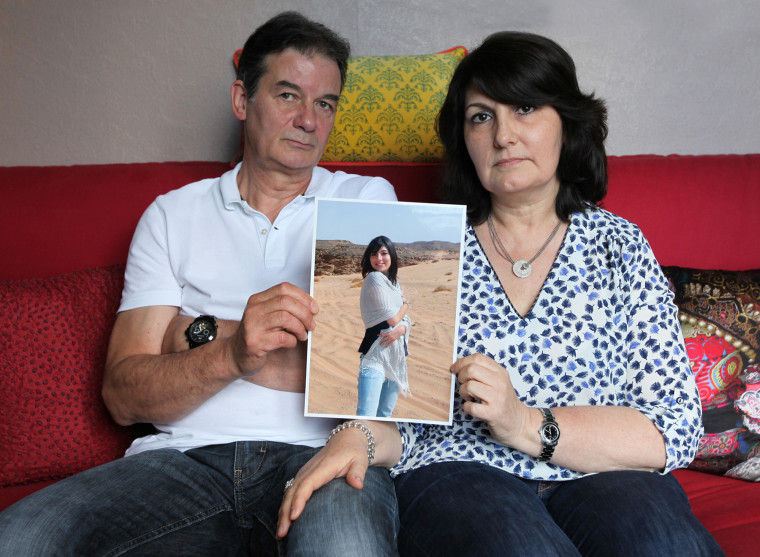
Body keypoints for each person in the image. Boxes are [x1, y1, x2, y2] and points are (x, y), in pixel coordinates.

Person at [279, 31, 725, 556]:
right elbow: (408, 418)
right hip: (460, 475)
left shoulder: (619, 244)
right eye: (481, 117)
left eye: (526, 108)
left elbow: (671, 426)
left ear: (568, 122)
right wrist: (359, 436)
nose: (503, 135)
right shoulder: (429, 250)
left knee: (664, 543)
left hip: (602, 471)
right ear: (464, 140)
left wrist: (525, 422)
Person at [0, 12, 402, 556]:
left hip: (321, 452)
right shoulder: (171, 215)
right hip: (182, 462)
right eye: (288, 95)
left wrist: (187, 334)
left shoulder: (366, 202)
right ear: (242, 100)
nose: (309, 120)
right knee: (21, 536)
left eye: (324, 103)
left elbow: (367, 372)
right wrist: (236, 350)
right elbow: (123, 396)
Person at [356, 236, 411, 417]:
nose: (379, 258)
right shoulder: (374, 278)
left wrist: (402, 330)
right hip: (376, 357)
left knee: (384, 416)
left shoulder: (394, 284)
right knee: (367, 416)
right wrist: (406, 305)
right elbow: (395, 319)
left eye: (384, 253)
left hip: (395, 359)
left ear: (392, 256)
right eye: (374, 254)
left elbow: (406, 322)